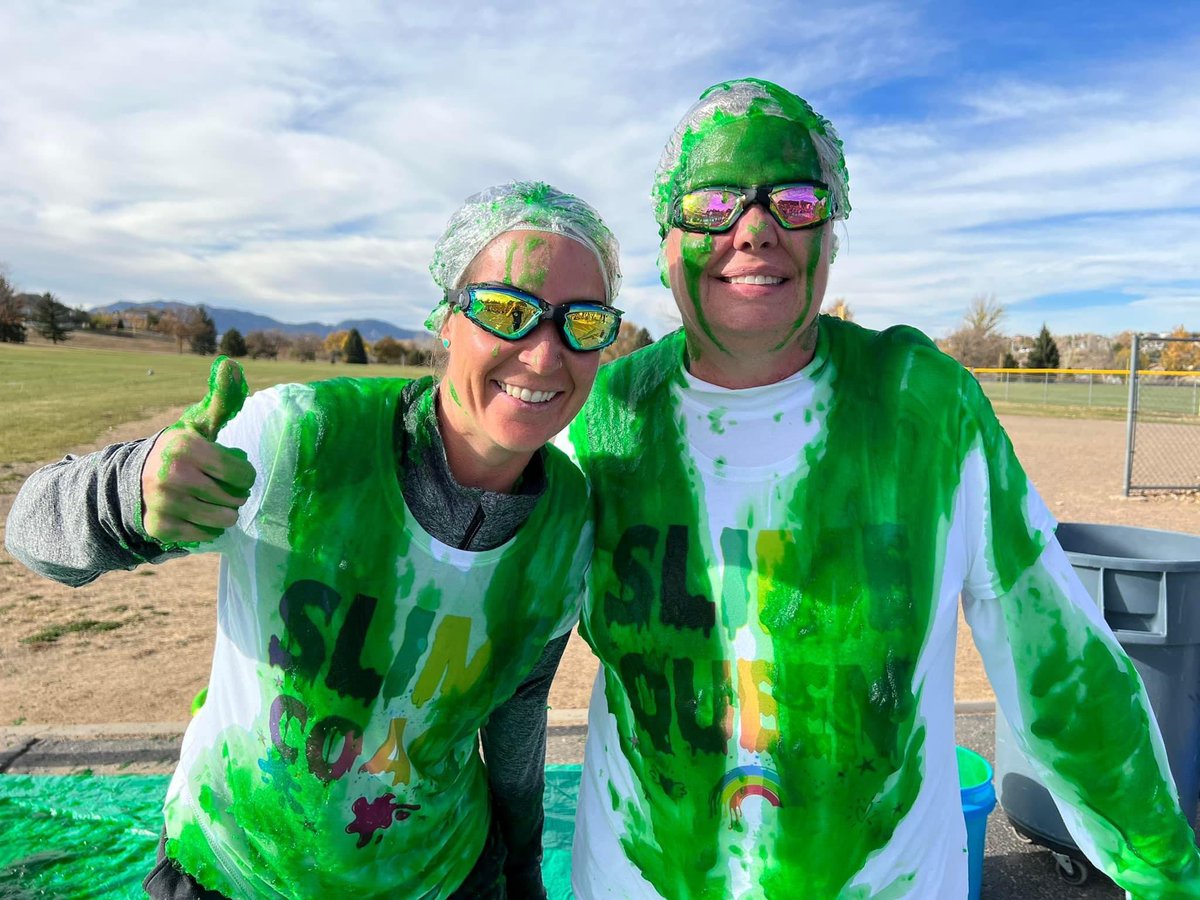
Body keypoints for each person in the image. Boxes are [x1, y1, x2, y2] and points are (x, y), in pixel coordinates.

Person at [563, 78, 1200, 898]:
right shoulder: (600, 423)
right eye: (712, 202)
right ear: (664, 240)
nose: (753, 229)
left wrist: (1164, 872)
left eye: (795, 200)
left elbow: (1061, 670)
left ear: (831, 233)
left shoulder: (922, 411)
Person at [5, 181, 623, 899]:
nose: (545, 356)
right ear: (447, 321)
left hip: (447, 877)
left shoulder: (568, 521)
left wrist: (521, 870)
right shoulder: (302, 441)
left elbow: (518, 712)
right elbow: (30, 530)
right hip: (236, 874)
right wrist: (128, 493)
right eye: (507, 311)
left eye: (583, 322)